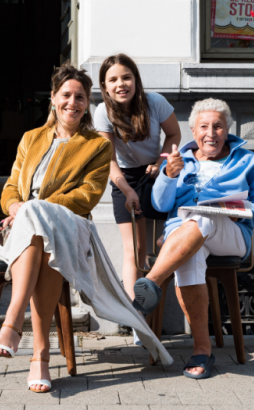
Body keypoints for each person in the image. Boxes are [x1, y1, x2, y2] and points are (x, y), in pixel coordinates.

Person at [0, 63, 173, 394]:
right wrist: (17, 207)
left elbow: (86, 197)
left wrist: (35, 208)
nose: (72, 102)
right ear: (53, 99)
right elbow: (11, 185)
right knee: (37, 234)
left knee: (41, 226)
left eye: (80, 97)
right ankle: (40, 356)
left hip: (71, 227)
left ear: (86, 103)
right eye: (66, 95)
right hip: (22, 230)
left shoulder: (97, 146)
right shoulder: (31, 138)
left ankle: (13, 323)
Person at [132, 98, 254, 379]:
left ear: (228, 130)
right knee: (190, 255)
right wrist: (167, 175)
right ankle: (202, 350)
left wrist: (240, 211)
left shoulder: (246, 161)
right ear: (193, 131)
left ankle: (151, 282)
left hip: (231, 234)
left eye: (218, 126)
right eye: (204, 126)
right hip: (185, 235)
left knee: (205, 217)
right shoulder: (181, 160)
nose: (211, 133)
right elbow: (162, 206)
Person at [94, 54, 181, 345]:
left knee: (156, 247)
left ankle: (156, 310)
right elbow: (107, 159)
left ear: (136, 79)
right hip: (123, 178)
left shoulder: (155, 102)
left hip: (156, 173)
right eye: (113, 80)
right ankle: (137, 320)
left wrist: (161, 160)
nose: (121, 84)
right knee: (134, 250)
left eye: (126, 77)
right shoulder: (102, 112)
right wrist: (126, 189)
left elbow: (174, 134)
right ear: (104, 87)